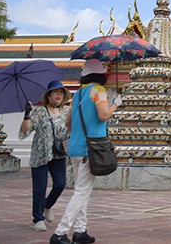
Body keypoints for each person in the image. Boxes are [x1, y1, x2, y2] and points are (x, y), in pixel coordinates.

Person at [50, 59, 121, 244]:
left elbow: (67, 122)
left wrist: (79, 136)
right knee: (82, 192)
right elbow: (104, 114)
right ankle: (60, 232)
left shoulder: (78, 94)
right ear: (100, 75)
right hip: (92, 149)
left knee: (82, 190)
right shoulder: (98, 91)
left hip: (75, 148)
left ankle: (80, 231)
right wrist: (116, 104)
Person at [19, 80, 71, 232]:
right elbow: (25, 131)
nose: (58, 95)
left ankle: (47, 205)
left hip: (59, 154)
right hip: (40, 154)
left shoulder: (68, 112)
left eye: (61, 93)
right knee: (39, 187)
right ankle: (38, 218)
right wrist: (27, 115)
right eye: (55, 92)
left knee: (61, 184)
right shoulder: (40, 112)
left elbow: (72, 128)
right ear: (49, 95)